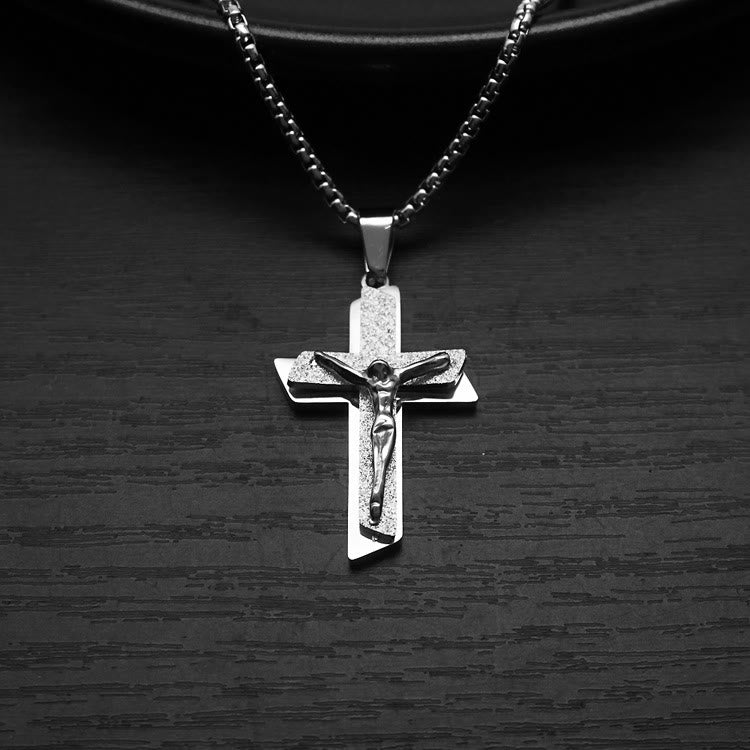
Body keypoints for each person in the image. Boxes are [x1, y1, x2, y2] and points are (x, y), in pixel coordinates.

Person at [314, 350, 451, 524]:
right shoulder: (369, 380)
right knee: (377, 462)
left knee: (382, 464)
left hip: (388, 424)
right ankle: (375, 502)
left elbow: (422, 367)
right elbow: (344, 370)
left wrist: (442, 359)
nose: (378, 364)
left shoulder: (397, 376)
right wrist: (323, 359)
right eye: (375, 366)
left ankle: (376, 501)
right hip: (378, 423)